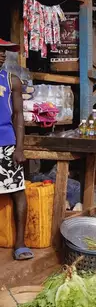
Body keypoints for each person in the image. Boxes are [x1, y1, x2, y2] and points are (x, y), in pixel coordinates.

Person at [0, 40, 31, 261]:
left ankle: (20, 243)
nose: (2, 56)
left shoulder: (12, 80)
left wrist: (20, 147)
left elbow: (18, 115)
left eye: (4, 52)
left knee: (17, 191)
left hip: (6, 143)